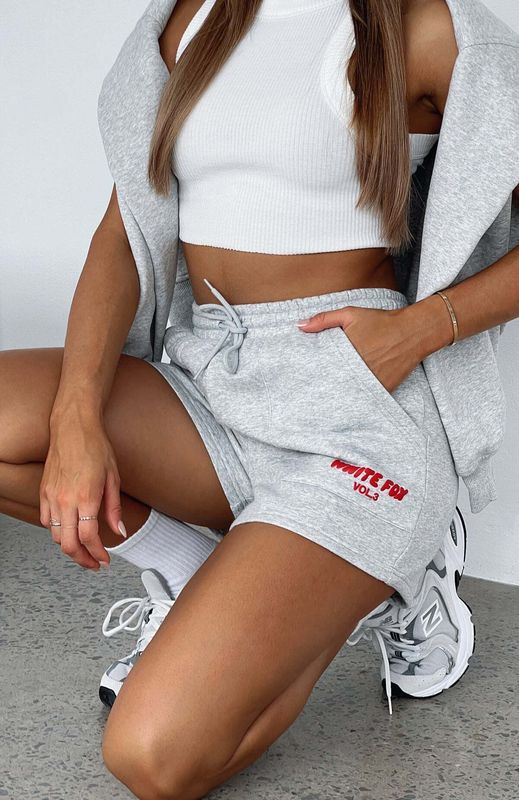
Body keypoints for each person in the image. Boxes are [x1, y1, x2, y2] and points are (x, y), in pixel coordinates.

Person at [2, 0, 518, 797]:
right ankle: (196, 570)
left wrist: (421, 330)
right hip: (211, 381)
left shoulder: (422, 26)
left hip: (358, 415)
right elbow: (124, 229)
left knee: (151, 757)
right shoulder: (191, 16)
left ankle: (395, 584)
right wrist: (77, 419)